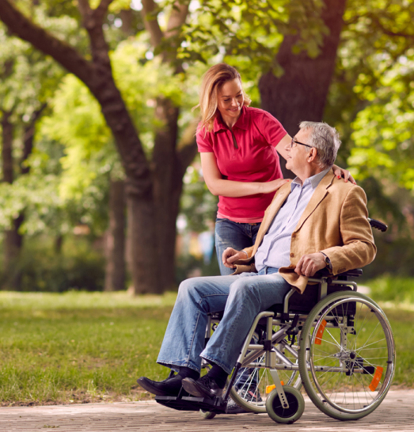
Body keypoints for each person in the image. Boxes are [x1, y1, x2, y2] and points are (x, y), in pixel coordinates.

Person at [137, 121, 376, 402]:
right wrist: (246, 255)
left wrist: (324, 257)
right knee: (192, 288)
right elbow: (273, 241)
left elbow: (364, 247)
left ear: (311, 154)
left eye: (295, 143)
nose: (287, 148)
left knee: (244, 289)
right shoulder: (286, 190)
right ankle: (182, 376)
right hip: (258, 275)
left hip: (295, 280)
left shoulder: (344, 192)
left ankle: (215, 378)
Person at [195, 64, 355, 277]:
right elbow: (215, 185)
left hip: (270, 220)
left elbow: (297, 153)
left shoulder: (261, 120)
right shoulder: (206, 132)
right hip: (229, 223)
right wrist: (265, 186)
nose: (235, 104)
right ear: (213, 99)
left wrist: (330, 165)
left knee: (262, 291)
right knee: (230, 289)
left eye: (239, 95)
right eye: (226, 99)